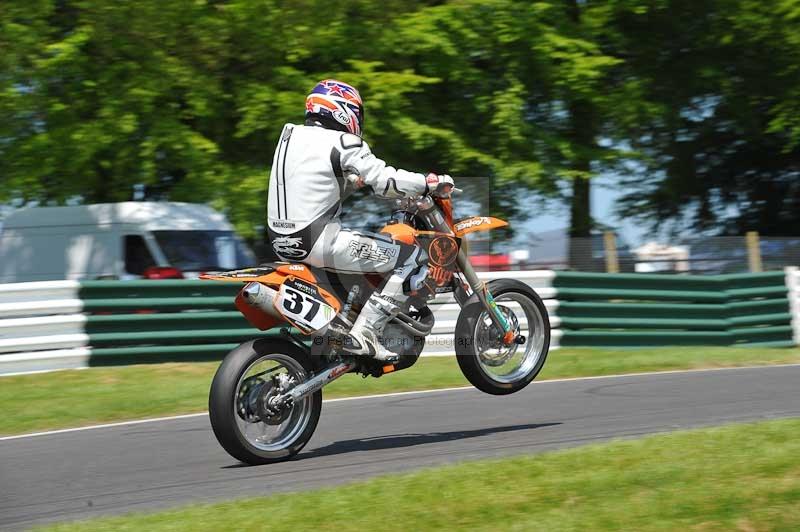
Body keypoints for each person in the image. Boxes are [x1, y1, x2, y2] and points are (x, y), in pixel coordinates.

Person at [266, 79, 454, 361]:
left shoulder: (289, 136)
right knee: (412, 257)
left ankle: (345, 322)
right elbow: (387, 180)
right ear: (344, 111)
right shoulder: (344, 141)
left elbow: (311, 181)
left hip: (280, 242)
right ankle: (366, 332)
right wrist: (428, 182)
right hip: (318, 242)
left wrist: (351, 182)